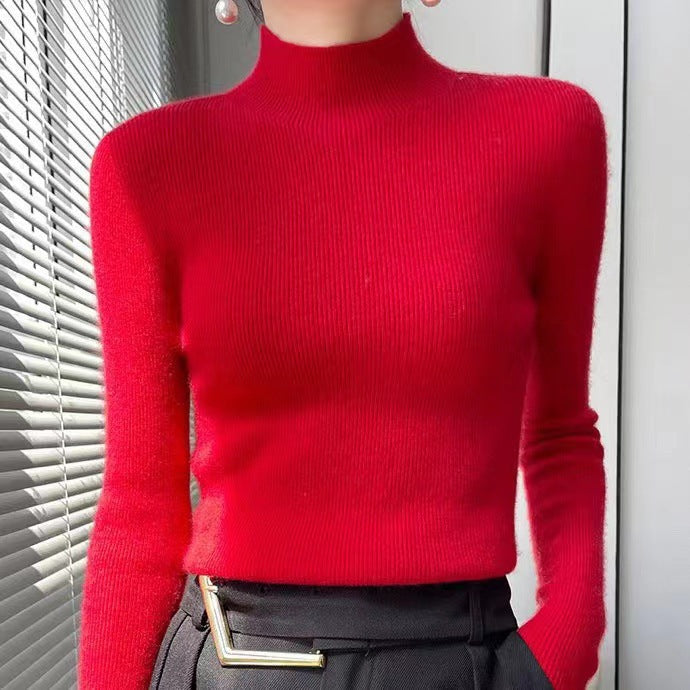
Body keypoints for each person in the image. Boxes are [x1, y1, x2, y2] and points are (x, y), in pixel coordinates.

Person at [76, 2, 609, 689]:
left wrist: (564, 644)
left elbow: (560, 430)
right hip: (231, 660)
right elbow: (140, 501)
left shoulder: (549, 135)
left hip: (461, 657)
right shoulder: (145, 166)